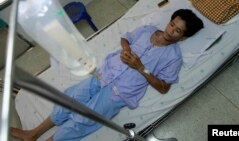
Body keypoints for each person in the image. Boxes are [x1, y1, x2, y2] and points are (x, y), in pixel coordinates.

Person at [11, 9, 204, 141]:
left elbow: (164, 87)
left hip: (118, 93)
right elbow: (125, 38)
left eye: (178, 31)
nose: (171, 31)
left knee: (83, 119)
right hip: (103, 74)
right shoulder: (148, 30)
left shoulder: (173, 57)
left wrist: (141, 68)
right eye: (172, 24)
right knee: (69, 100)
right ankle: (33, 134)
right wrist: (126, 48)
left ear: (184, 37)